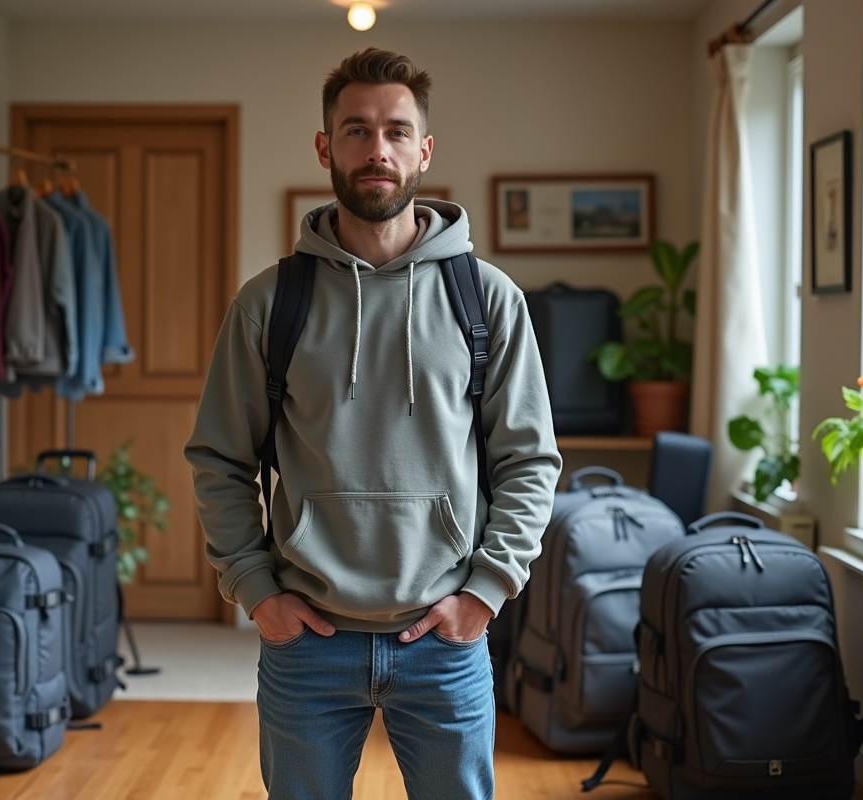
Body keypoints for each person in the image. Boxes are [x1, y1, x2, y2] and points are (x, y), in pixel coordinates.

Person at [184, 47, 561, 800]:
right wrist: (257, 589)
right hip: (308, 647)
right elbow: (220, 459)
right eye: (356, 131)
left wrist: (484, 591)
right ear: (325, 148)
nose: (376, 149)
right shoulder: (269, 303)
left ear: (423, 150)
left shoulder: (486, 299)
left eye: (395, 130)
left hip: (445, 641)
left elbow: (529, 462)